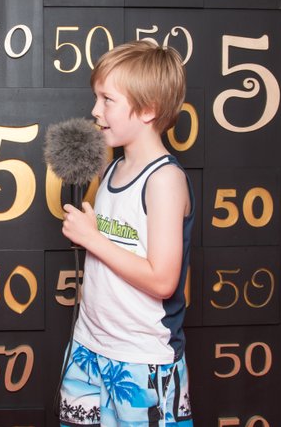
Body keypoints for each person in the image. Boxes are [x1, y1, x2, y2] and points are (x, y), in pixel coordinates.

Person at [58, 39, 194, 426]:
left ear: (148, 109)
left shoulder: (164, 181)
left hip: (142, 360)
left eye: (107, 99)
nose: (94, 110)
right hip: (88, 346)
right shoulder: (112, 169)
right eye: (96, 97)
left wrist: (92, 239)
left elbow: (163, 280)